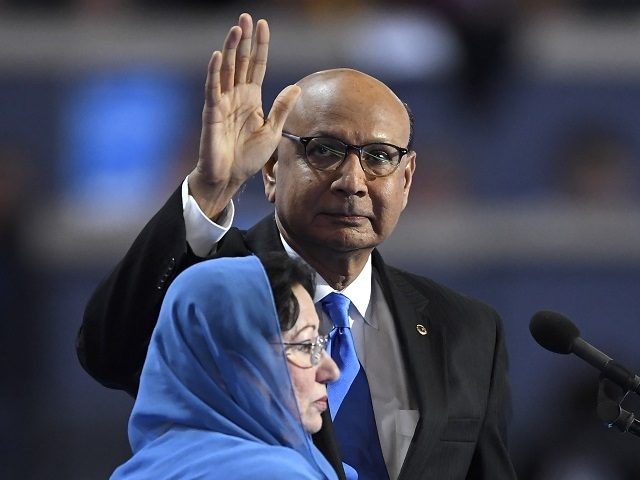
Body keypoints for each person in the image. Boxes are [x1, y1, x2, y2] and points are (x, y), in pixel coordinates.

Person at [78, 12, 517, 479]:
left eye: (379, 157)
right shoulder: (215, 291)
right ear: (271, 169)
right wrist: (213, 187)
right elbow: (109, 354)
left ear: (406, 180)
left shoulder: (468, 330)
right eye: (323, 150)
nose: (353, 182)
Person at [110, 253, 340, 479]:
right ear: (227, 362)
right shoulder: (275, 473)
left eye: (319, 343)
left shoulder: (135, 472)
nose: (331, 371)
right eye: (305, 345)